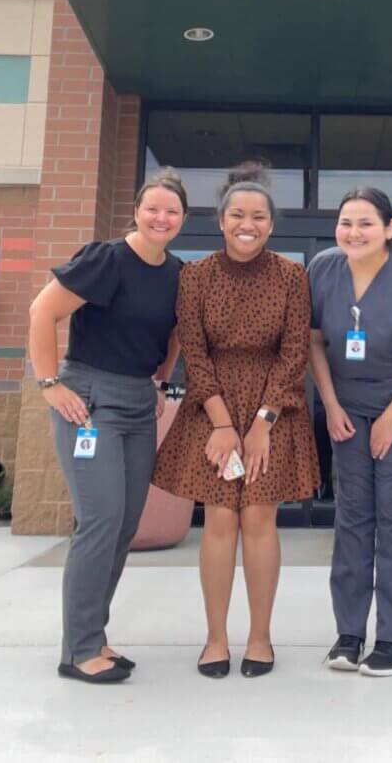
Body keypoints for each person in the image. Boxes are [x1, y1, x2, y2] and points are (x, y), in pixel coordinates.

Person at [151, 162, 320, 679]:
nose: (249, 223)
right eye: (238, 215)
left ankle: (261, 638)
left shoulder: (293, 276)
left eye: (259, 216)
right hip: (212, 408)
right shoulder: (195, 277)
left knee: (259, 520)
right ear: (221, 220)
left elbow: (295, 354)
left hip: (274, 409)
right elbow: (194, 356)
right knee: (220, 519)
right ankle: (216, 638)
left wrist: (264, 421)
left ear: (272, 224)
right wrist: (224, 425)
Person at [27, 168, 188, 685]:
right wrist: (50, 383)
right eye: (153, 208)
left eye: (172, 211)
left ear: (183, 219)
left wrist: (161, 383)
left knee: (123, 526)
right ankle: (77, 651)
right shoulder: (106, 259)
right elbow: (41, 312)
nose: (161, 218)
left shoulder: (176, 273)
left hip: (140, 401)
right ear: (137, 211)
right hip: (90, 400)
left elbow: (173, 338)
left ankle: (92, 635)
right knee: (100, 521)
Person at [308, 187, 392, 677]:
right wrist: (330, 404)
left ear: (389, 228)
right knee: (352, 517)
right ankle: (349, 632)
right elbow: (315, 342)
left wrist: (389, 419)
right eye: (346, 222)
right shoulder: (323, 268)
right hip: (346, 408)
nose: (353, 233)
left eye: (366, 223)